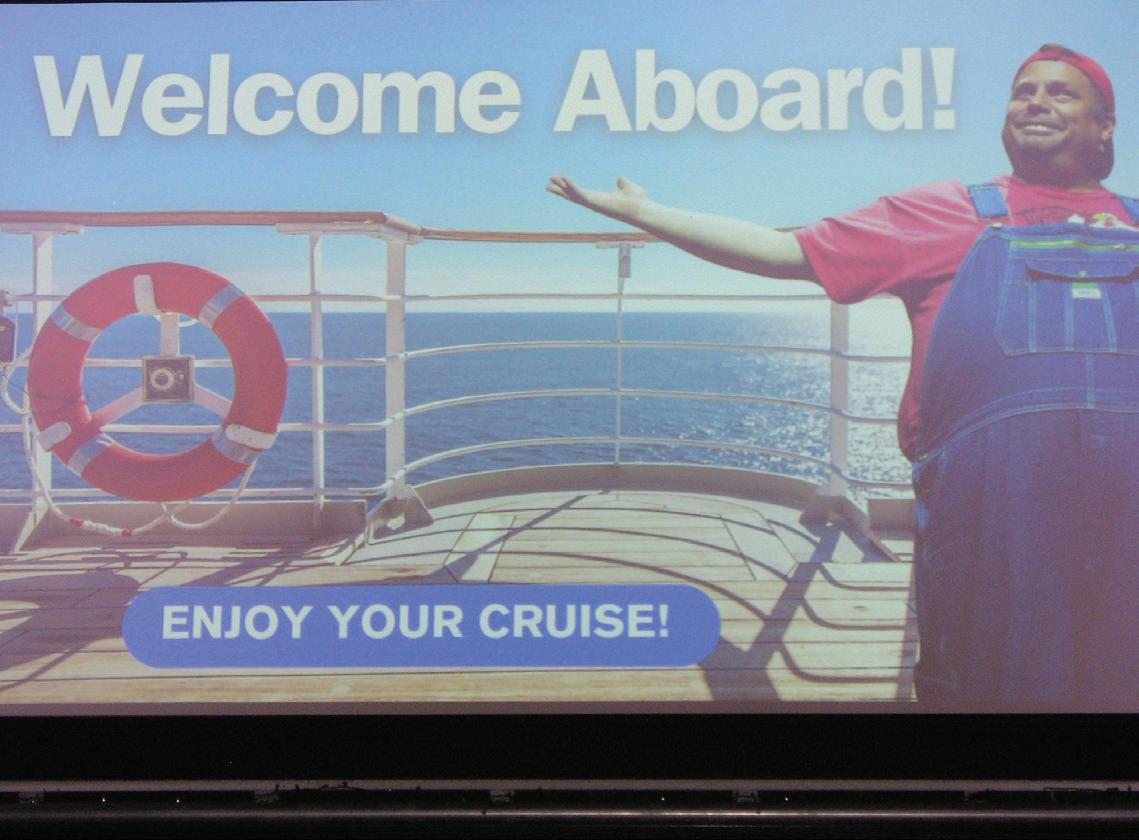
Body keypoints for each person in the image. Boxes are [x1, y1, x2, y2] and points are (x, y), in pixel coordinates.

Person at [548, 44, 1139, 709]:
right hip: (989, 513)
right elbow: (786, 251)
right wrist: (646, 214)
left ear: (1105, 125)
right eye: (1022, 91)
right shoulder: (945, 211)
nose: (1034, 101)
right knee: (983, 680)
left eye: (1059, 92)